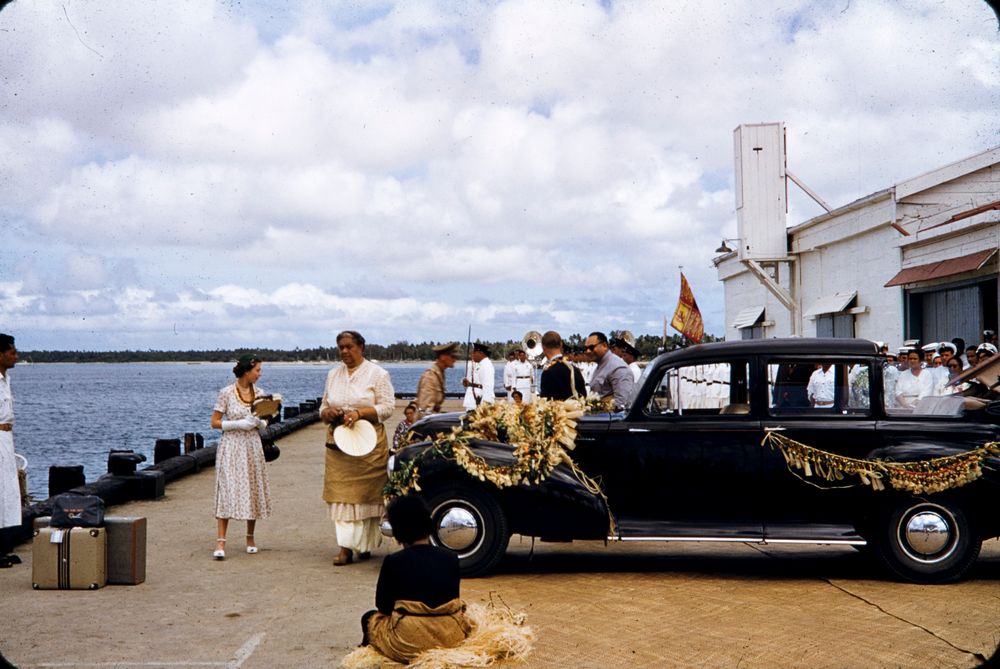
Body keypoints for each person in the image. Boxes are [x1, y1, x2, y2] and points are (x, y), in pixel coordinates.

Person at [361, 494, 471, 663]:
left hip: (407, 642)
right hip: (450, 637)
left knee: (368, 618)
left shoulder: (394, 561)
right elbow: (452, 600)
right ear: (429, 525)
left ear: (397, 532)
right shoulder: (450, 558)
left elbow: (383, 606)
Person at [320, 331, 396, 566]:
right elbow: (323, 407)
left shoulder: (378, 374)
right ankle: (345, 548)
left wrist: (360, 413)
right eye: (340, 347)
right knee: (341, 496)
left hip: (369, 443)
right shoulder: (333, 374)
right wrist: (327, 413)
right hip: (338, 445)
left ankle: (363, 545)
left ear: (361, 347)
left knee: (367, 496)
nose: (344, 351)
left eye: (349, 347)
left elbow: (388, 407)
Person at [209, 354, 272, 560]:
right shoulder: (226, 392)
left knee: (251, 487)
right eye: (257, 370)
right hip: (232, 444)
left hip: (252, 445)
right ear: (247, 371)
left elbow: (265, 421)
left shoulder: (260, 393)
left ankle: (250, 537)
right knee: (227, 488)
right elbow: (215, 422)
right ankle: (221, 540)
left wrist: (259, 422)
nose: (260, 374)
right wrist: (238, 424)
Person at [0, 334, 22, 569]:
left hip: (5, 436)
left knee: (6, 492)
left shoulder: (6, 379)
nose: (15, 357)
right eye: (12, 352)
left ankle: (3, 546)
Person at [584, 332, 634, 409]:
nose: (588, 351)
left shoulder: (618, 368)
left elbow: (621, 405)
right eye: (586, 348)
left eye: (591, 347)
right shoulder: (601, 364)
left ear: (604, 345)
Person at [538, 330, 585, 401]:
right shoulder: (574, 369)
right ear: (561, 344)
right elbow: (583, 395)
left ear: (543, 348)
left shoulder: (548, 372)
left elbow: (546, 403)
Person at [416, 343, 458, 415]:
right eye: (453, 356)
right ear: (442, 357)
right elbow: (425, 410)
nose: (455, 360)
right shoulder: (430, 377)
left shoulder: (439, 374)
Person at [461, 343, 496, 410]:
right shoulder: (480, 364)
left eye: (474, 352)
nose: (472, 355)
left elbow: (488, 387)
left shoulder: (486, 366)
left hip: (479, 400)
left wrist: (485, 405)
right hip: (473, 399)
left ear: (480, 353)